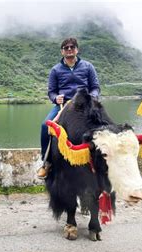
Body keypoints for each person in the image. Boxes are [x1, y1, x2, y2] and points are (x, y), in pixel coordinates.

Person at [37, 37, 101, 177]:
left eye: (72, 47)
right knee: (44, 126)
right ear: (62, 52)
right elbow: (51, 91)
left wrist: (92, 97)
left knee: (104, 126)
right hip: (64, 106)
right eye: (66, 48)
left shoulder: (88, 67)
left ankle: (101, 161)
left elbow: (95, 88)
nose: (69, 49)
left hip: (85, 104)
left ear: (77, 50)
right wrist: (55, 98)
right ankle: (46, 162)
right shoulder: (55, 70)